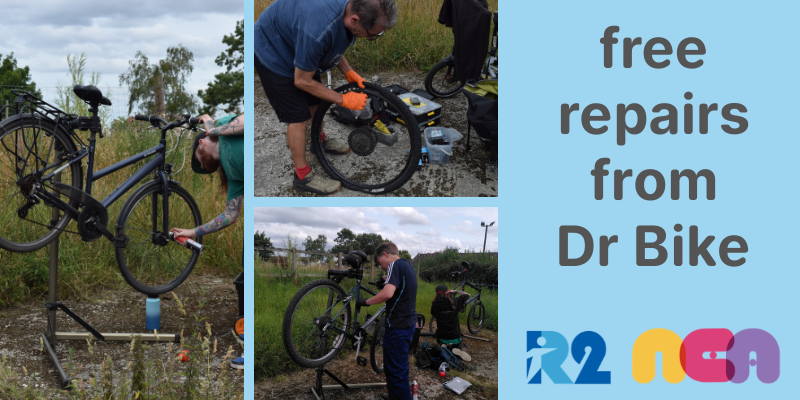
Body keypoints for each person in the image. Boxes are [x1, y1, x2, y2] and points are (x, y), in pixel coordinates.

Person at [254, 0, 399, 195]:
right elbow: (302, 81)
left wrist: (349, 72)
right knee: (298, 116)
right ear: (355, 19)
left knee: (316, 100)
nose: (370, 38)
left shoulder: (346, 11)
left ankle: (318, 141)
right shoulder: (316, 32)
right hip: (273, 50)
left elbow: (332, 42)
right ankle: (302, 177)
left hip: (299, 41)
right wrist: (343, 99)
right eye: (372, 35)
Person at [170, 114, 245, 369]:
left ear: (202, 144)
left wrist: (213, 129)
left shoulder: (224, 132)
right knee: (246, 276)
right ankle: (248, 340)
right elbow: (231, 214)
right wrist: (193, 231)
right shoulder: (233, 175)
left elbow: (249, 120)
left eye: (198, 160)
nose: (201, 165)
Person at [357, 241, 417, 400]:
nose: (381, 266)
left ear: (385, 254)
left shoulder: (394, 266)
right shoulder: (407, 265)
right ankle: (395, 395)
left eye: (379, 262)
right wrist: (384, 279)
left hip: (397, 327)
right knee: (399, 368)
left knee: (396, 371)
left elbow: (388, 294)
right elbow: (397, 282)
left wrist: (366, 302)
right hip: (408, 324)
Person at [430, 285, 472, 361]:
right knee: (456, 344)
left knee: (441, 337)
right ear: (448, 292)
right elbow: (467, 295)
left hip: (442, 337)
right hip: (455, 338)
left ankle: (444, 346)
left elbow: (433, 314)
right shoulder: (456, 302)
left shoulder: (434, 305)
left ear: (437, 294)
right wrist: (456, 291)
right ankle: (455, 349)